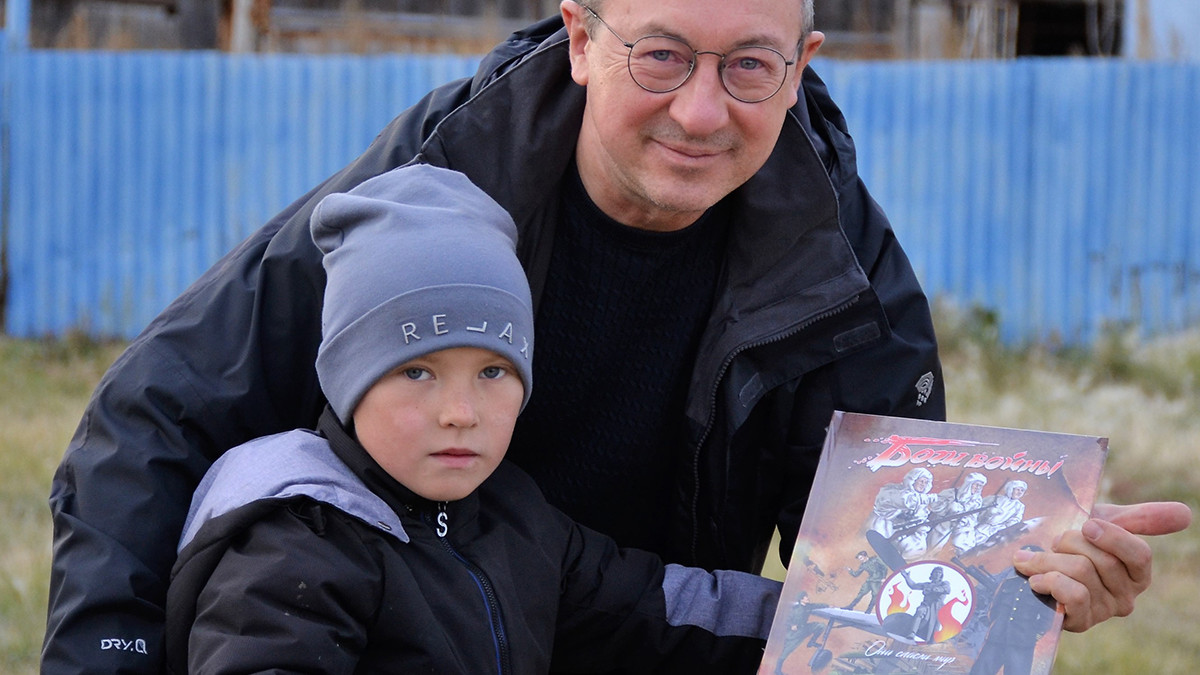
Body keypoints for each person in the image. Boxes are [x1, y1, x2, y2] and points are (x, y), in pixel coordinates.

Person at [43, 0, 1191, 671]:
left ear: (803, 67)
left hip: (641, 629)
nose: (702, 110)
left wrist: (1015, 589)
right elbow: (156, 417)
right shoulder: (427, 204)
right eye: (662, 54)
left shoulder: (839, 267)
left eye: (749, 65)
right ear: (581, 35)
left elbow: (885, 584)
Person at [164, 164, 781, 673]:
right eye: (417, 372)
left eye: (492, 372)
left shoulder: (516, 518)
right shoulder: (297, 549)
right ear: (348, 378)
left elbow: (657, 608)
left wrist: (811, 622)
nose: (460, 414)